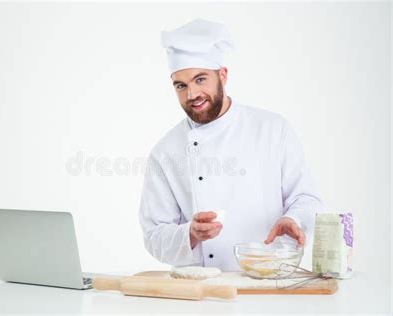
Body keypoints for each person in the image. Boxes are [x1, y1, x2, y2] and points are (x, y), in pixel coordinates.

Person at [138, 18, 324, 271]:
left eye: (200, 79)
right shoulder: (165, 152)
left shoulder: (272, 129)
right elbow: (153, 235)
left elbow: (307, 197)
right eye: (181, 85)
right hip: (201, 292)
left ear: (223, 76)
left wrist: (293, 219)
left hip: (267, 280)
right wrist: (190, 234)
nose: (192, 95)